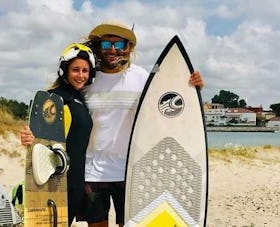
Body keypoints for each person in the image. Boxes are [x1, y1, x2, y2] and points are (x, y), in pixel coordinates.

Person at [79, 20, 204, 227]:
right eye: (106, 44)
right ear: (98, 47)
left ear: (128, 48)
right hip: (93, 171)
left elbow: (165, 109)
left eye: (119, 44)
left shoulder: (142, 78)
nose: (112, 50)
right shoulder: (88, 79)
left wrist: (192, 87)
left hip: (133, 170)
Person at [20, 43, 96, 225]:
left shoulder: (79, 100)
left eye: (85, 71)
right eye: (75, 70)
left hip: (76, 180)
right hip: (56, 181)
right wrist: (27, 137)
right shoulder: (54, 99)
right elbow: (39, 140)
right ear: (65, 71)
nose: (81, 75)